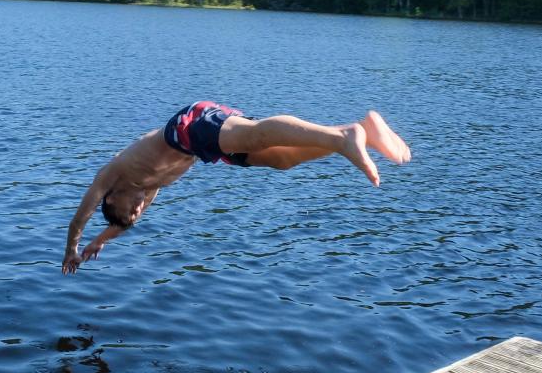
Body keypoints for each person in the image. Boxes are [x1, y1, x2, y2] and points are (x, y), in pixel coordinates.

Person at [62, 101, 411, 275]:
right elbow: (121, 223)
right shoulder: (148, 189)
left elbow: (81, 216)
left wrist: (73, 248)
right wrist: (101, 241)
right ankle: (357, 130)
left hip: (187, 128)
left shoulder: (111, 175)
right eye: (135, 214)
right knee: (281, 160)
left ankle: (344, 137)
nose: (138, 209)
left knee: (256, 134)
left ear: (113, 197)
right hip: (204, 150)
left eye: (129, 209)